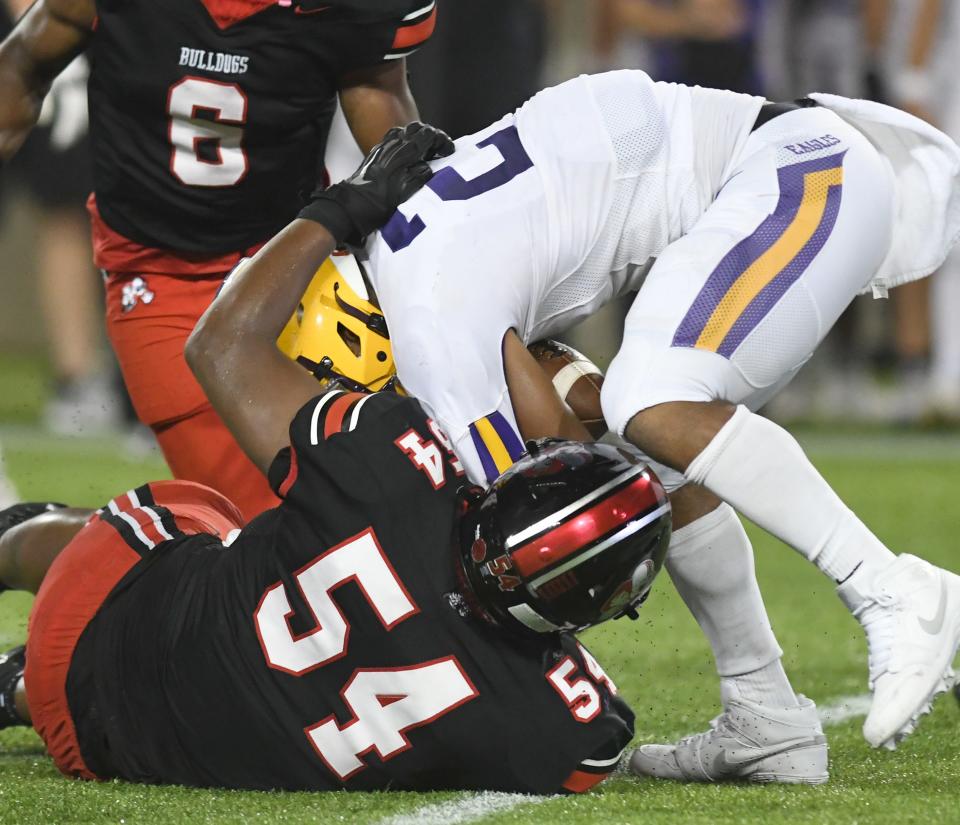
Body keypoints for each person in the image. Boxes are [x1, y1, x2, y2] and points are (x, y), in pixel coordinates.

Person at [259, 69, 960, 781]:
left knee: (649, 398)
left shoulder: (427, 326)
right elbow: (576, 454)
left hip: (801, 176)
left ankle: (890, 587)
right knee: (644, 431)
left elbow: (537, 519)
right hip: (792, 169)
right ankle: (765, 711)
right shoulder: (404, 249)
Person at [0, 124, 674, 793]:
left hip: (94, 609)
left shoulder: (386, 460)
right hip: (90, 738)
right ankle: (15, 688)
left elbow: (220, 346)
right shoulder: (575, 727)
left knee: (202, 511)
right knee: (203, 705)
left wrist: (342, 206)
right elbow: (581, 736)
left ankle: (10, 546)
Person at [0, 0, 437, 520]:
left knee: (383, 495)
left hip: (293, 271)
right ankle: (26, 544)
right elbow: (22, 62)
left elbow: (386, 116)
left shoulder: (344, 10)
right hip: (161, 275)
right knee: (257, 527)